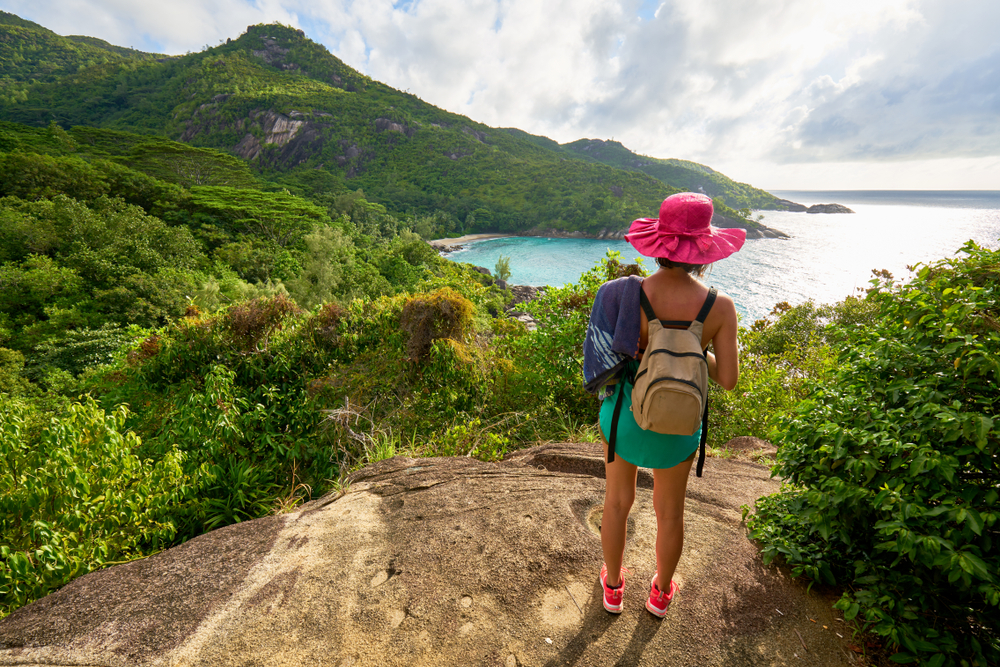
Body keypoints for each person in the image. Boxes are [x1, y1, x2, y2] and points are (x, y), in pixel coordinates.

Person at [582, 192, 745, 617]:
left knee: (617, 502)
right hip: (679, 426)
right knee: (671, 513)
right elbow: (727, 379)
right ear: (704, 251)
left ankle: (613, 587)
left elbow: (611, 355)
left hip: (625, 420)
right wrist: (694, 344)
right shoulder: (720, 307)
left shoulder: (626, 296)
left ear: (659, 245)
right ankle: (660, 593)